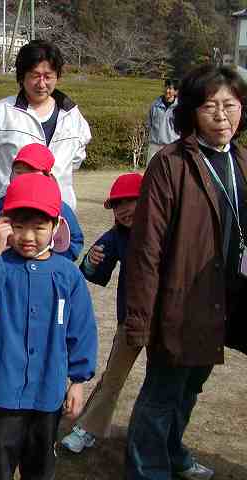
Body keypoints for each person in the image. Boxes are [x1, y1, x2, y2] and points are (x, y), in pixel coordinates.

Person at [124, 65, 247, 480]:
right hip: (178, 302)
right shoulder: (171, 163)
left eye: (230, 105)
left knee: (192, 386)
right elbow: (146, 248)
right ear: (192, 110)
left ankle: (173, 452)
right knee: (162, 392)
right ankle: (147, 469)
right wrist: (141, 317)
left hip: (222, 297)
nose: (221, 115)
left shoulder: (242, 160)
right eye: (210, 106)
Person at [0, 173, 97, 480]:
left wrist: (78, 380)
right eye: (18, 226)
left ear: (56, 226)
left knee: (40, 467)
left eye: (39, 227)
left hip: (46, 392)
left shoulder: (67, 275)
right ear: (5, 224)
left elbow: (81, 330)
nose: (28, 236)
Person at [0, 143, 84, 392]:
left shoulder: (58, 207)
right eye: (18, 171)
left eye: (32, 172)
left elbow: (74, 241)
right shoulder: (5, 204)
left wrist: (51, 261)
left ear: (48, 175)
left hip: (42, 283)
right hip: (2, 275)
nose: (23, 177)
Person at [60, 173, 143, 454]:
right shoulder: (117, 235)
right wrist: (92, 262)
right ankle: (88, 428)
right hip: (132, 316)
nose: (123, 210)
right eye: (117, 205)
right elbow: (92, 270)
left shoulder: (169, 228)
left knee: (165, 383)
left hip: (170, 317)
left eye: (130, 201)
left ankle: (158, 440)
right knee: (114, 377)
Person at [0, 40, 91, 215]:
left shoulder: (72, 116)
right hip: (8, 213)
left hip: (57, 214)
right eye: (35, 75)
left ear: (57, 76)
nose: (42, 84)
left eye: (48, 76)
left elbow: (75, 161)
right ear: (21, 76)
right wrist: (3, 189)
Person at [146, 78, 179, 164]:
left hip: (171, 147)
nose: (167, 91)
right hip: (154, 146)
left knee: (170, 170)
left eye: (170, 88)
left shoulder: (179, 108)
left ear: (176, 91)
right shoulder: (155, 105)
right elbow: (149, 123)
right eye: (166, 87)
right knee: (151, 170)